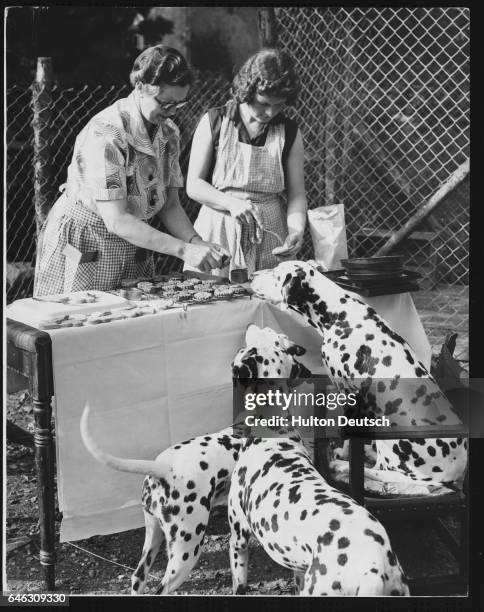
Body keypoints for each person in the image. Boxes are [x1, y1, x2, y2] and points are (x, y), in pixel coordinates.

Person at [34, 45, 229, 296]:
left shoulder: (169, 133)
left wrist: (197, 242)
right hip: (87, 239)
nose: (171, 112)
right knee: (81, 323)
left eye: (178, 105)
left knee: (134, 322)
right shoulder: (107, 132)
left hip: (134, 240)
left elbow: (169, 206)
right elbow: (117, 219)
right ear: (140, 87)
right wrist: (183, 250)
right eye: (165, 103)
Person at [185, 48, 307, 279]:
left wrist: (295, 231)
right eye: (263, 103)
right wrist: (230, 203)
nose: (270, 112)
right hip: (218, 227)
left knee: (266, 305)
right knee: (211, 302)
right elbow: (194, 185)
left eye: (279, 105)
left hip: (270, 233)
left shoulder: (289, 132)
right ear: (248, 91)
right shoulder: (215, 121)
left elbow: (297, 194)